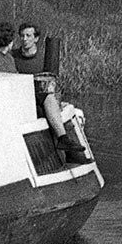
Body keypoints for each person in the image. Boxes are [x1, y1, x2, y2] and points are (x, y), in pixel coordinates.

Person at [10, 22, 94, 164]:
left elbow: (53, 83)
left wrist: (58, 100)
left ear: (36, 39)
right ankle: (66, 147)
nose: (24, 39)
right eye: (22, 36)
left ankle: (67, 148)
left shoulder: (45, 58)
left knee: (55, 106)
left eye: (28, 36)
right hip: (22, 97)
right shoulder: (13, 57)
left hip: (42, 97)